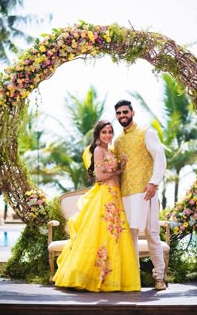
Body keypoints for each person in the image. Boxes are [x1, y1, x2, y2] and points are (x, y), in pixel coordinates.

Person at [53, 120, 141, 292]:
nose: (108, 135)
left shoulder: (109, 150)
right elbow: (99, 176)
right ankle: (95, 278)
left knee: (114, 236)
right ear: (98, 135)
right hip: (105, 196)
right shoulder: (99, 150)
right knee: (104, 235)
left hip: (115, 196)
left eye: (110, 132)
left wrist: (121, 167)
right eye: (104, 132)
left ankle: (112, 279)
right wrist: (119, 171)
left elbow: (110, 173)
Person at [113, 100, 167, 291]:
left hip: (146, 192)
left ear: (132, 112)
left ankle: (159, 277)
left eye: (125, 112)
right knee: (130, 238)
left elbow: (159, 157)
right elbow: (116, 167)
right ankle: (133, 278)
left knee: (152, 234)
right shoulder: (117, 141)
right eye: (118, 113)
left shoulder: (146, 132)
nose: (122, 116)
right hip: (126, 195)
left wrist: (153, 182)